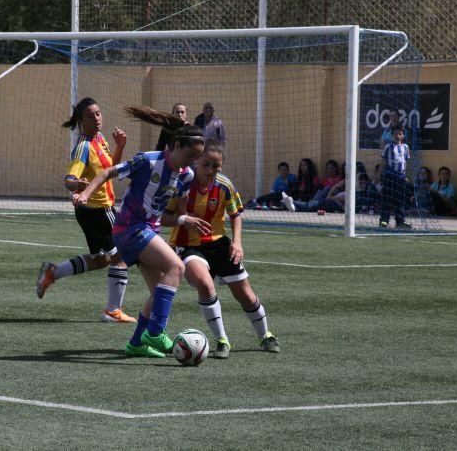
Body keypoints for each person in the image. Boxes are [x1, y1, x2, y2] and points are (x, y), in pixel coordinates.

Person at [73, 105, 207, 358]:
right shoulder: (148, 160)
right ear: (176, 145)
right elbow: (107, 172)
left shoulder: (185, 176)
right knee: (177, 268)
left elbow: (166, 217)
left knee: (159, 293)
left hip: (149, 231)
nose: (193, 162)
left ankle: (136, 343)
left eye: (197, 158)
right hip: (128, 229)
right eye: (191, 155)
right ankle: (155, 333)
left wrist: (183, 219)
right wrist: (85, 193)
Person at [167, 140, 280, 358]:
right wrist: (182, 219)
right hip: (187, 246)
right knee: (204, 283)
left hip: (219, 244)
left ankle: (265, 336)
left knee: (245, 294)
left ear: (221, 166)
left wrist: (236, 242)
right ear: (197, 161)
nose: (210, 170)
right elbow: (163, 217)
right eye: (206, 164)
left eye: (216, 166)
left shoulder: (224, 185)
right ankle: (222, 341)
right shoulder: (181, 184)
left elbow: (235, 214)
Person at [36, 97, 137, 324]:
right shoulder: (83, 146)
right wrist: (77, 185)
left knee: (101, 260)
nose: (97, 119)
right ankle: (113, 311)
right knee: (122, 254)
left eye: (98, 114)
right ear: (81, 120)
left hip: (90, 212)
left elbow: (109, 168)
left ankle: (53, 272)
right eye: (90, 116)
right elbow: (69, 178)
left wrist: (120, 146)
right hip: (99, 210)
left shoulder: (100, 139)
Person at [379, 127, 412, 228]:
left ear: (403, 136)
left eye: (400, 134)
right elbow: (383, 162)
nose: (398, 136)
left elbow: (405, 162)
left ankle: (400, 221)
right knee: (387, 199)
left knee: (400, 200)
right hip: (389, 176)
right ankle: (384, 220)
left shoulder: (405, 147)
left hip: (400, 177)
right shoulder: (388, 147)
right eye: (396, 134)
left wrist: (406, 175)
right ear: (392, 136)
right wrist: (381, 176)